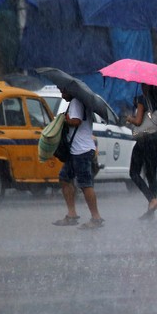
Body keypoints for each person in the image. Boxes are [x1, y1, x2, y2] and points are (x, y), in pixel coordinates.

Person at [53, 88, 104, 229]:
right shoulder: (80, 102)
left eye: (62, 91)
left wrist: (63, 119)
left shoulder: (76, 101)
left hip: (81, 151)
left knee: (85, 184)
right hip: (76, 150)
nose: (61, 94)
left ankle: (96, 218)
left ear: (70, 90)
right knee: (64, 178)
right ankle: (72, 214)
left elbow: (76, 121)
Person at [126, 84, 157, 219]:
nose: (141, 85)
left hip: (144, 140)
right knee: (151, 175)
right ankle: (151, 211)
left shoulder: (143, 99)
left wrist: (130, 118)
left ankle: (152, 200)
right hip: (155, 140)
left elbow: (138, 121)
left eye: (143, 83)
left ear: (147, 85)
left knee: (133, 172)